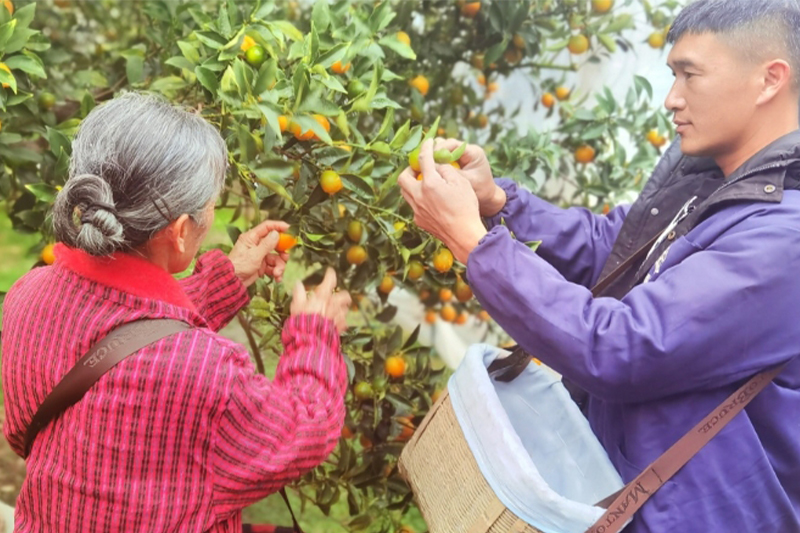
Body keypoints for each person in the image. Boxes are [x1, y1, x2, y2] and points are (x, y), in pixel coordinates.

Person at [399, 0, 800, 531]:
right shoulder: (714, 185)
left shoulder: (782, 237)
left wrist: (475, 244)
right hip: (622, 493)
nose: (671, 99)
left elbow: (622, 347)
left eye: (690, 75)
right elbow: (610, 251)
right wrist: (497, 202)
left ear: (769, 79)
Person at [1, 92, 351, 532]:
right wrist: (314, 337)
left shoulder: (28, 294)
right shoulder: (209, 374)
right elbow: (304, 430)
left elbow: (26, 428)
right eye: (208, 205)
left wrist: (227, 278)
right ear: (181, 232)